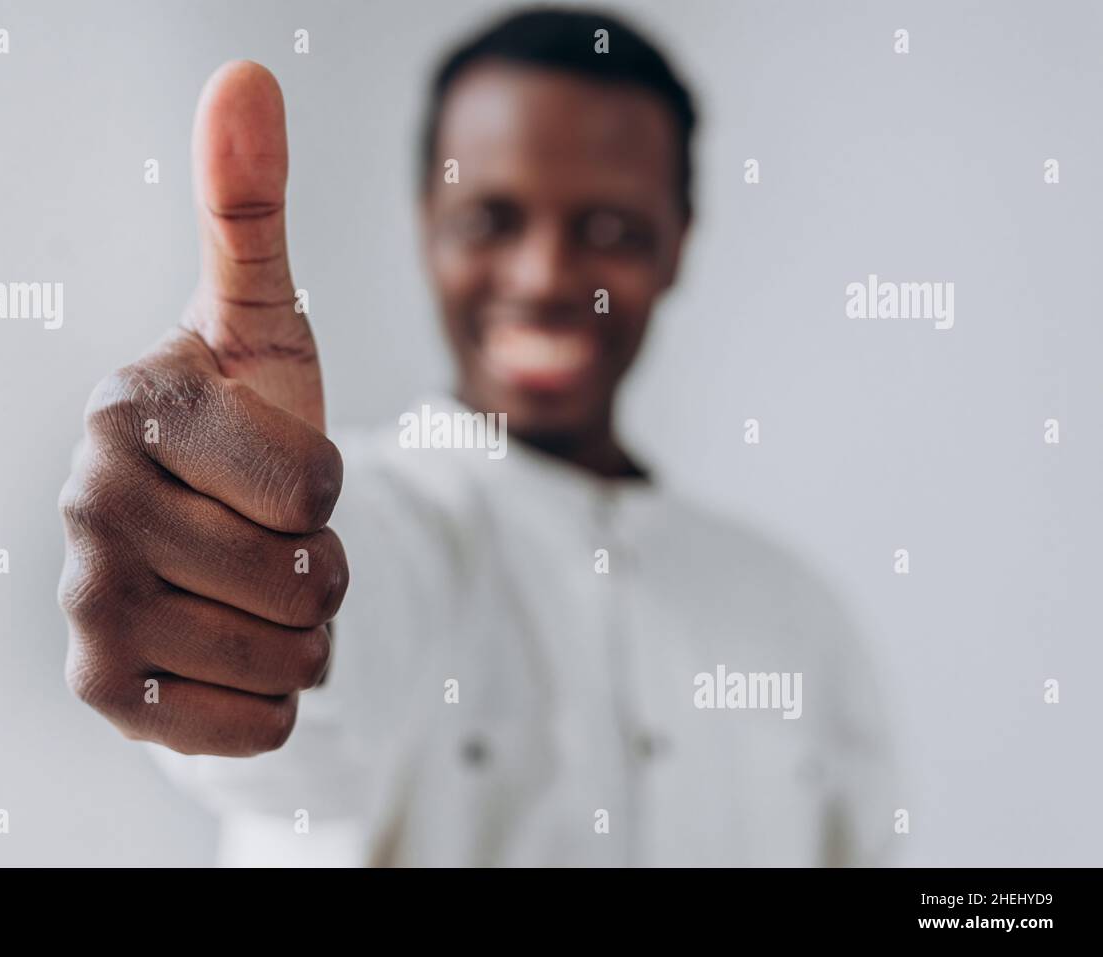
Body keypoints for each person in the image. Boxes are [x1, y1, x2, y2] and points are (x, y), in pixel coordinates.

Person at [57, 8, 895, 866]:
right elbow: (319, 708)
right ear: (428, 226)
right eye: (492, 220)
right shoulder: (374, 529)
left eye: (611, 230)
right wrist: (241, 562)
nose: (544, 277)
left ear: (677, 244)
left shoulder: (797, 617)